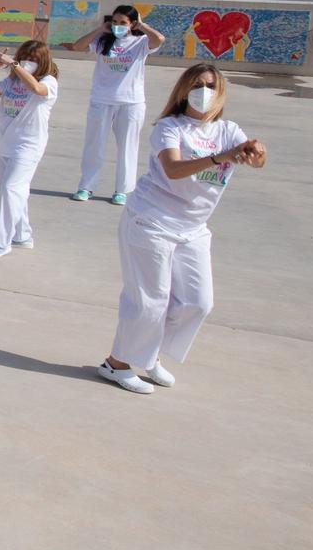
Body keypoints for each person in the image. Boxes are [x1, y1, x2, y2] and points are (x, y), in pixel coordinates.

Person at [97, 63, 266, 395]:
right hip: (151, 219)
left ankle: (148, 353)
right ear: (184, 89)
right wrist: (221, 158)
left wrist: (257, 152)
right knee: (150, 300)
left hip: (194, 227)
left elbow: (256, 159)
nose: (204, 92)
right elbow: (173, 169)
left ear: (221, 94)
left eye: (211, 86)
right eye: (198, 84)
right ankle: (116, 364)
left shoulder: (228, 130)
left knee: (197, 303)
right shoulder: (170, 127)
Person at [65, 4, 166, 205]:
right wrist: (98, 30)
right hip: (102, 100)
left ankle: (123, 190)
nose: (118, 26)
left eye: (123, 22)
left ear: (132, 24)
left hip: (131, 102)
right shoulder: (103, 41)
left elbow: (160, 39)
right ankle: (86, 186)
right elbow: (78, 46)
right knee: (94, 145)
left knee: (128, 147)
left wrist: (142, 25)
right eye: (115, 22)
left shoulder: (141, 42)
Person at [0, 39, 58, 259]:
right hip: (6, 144)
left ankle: (0, 241)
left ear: (42, 62)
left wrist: (15, 66)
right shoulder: (11, 82)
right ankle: (22, 235)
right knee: (11, 191)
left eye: (32, 59)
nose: (27, 62)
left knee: (12, 189)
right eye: (24, 58)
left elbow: (37, 89)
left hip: (28, 146)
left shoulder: (49, 81)